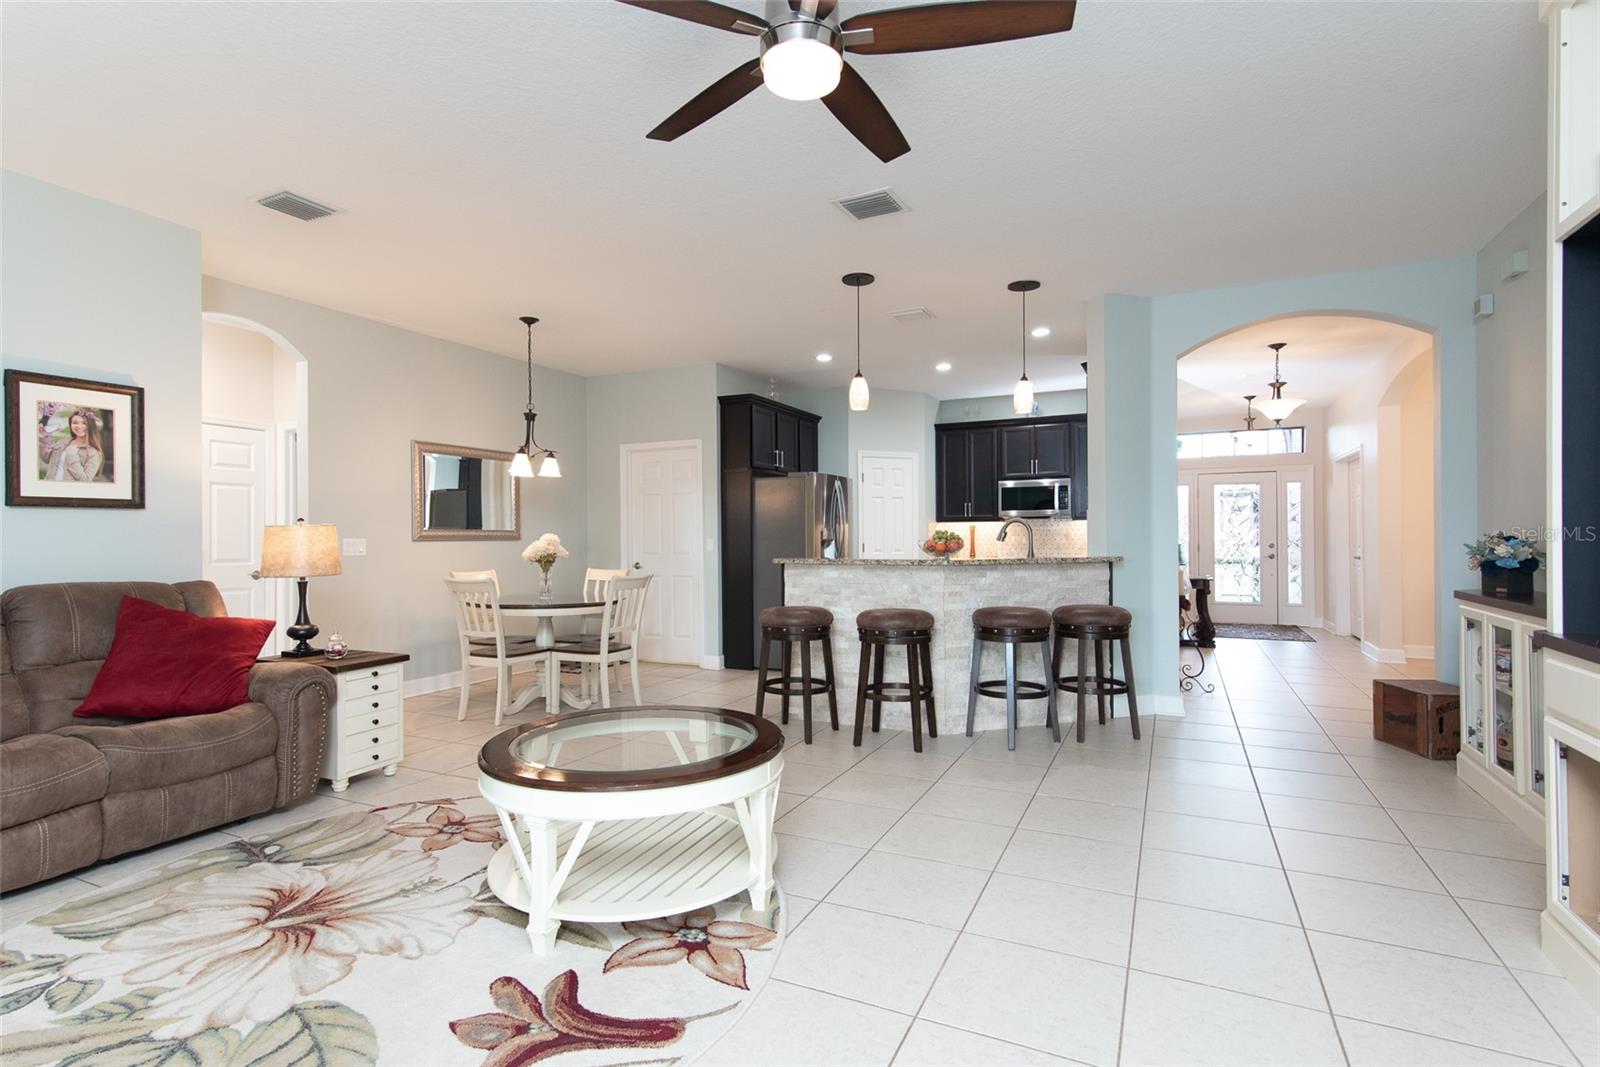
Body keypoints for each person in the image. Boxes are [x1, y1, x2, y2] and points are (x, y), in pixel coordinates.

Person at [39, 408, 105, 482]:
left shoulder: (93, 452)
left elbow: (86, 480)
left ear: (90, 425)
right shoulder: (65, 440)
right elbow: (46, 458)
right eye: (75, 423)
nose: (79, 426)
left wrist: (72, 456)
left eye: (84, 423)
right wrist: (44, 437)